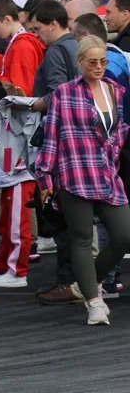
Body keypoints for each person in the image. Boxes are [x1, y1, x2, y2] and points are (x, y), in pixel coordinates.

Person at [35, 36, 130, 326]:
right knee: (81, 238)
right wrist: (45, 176)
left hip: (106, 173)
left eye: (103, 61)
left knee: (124, 236)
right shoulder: (64, 92)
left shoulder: (115, 90)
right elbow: (51, 135)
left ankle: (87, 282)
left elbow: (119, 131)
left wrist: (112, 155)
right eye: (93, 62)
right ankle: (93, 301)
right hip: (73, 172)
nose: (99, 66)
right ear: (80, 63)